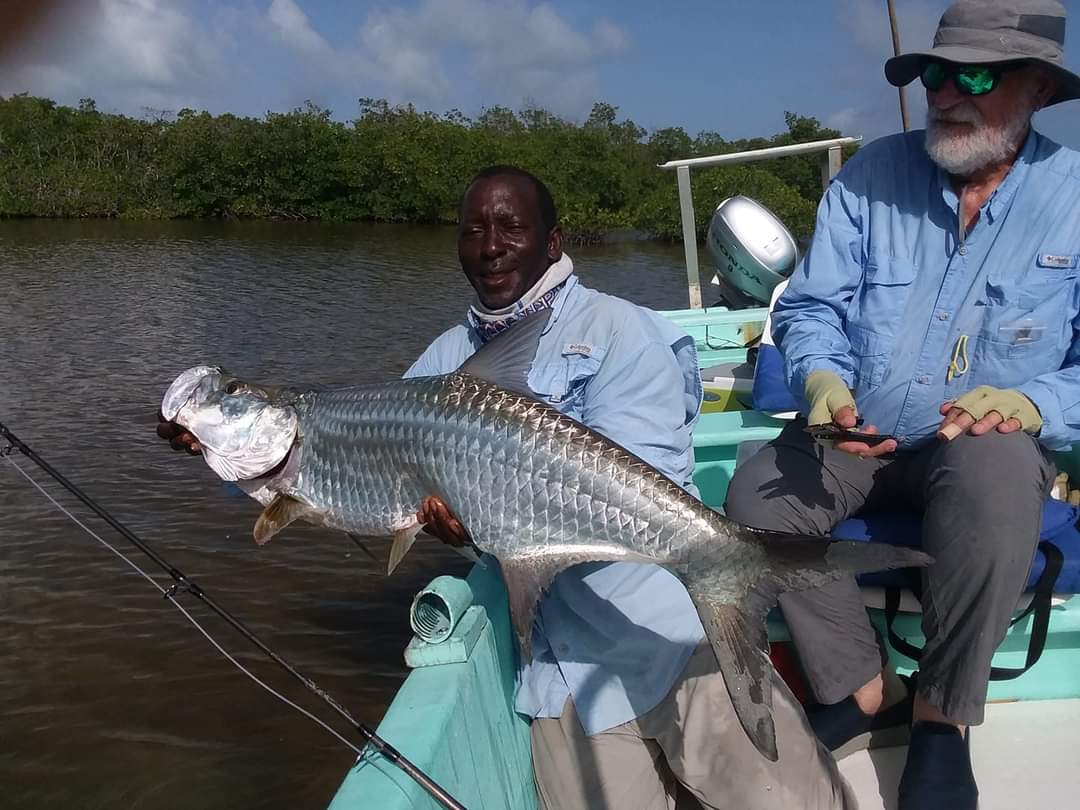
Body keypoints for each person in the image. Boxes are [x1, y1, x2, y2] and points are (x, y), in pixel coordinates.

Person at [160, 165, 851, 809]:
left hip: (674, 636)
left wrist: (491, 514)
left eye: (510, 228)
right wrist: (211, 445)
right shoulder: (441, 361)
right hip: (561, 672)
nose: (490, 246)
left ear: (553, 241)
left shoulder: (625, 332)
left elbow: (640, 477)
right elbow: (328, 478)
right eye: (472, 229)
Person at [724, 2, 1080, 809]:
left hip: (979, 449)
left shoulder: (1075, 198)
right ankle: (858, 685)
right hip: (858, 440)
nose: (946, 92)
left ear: (1033, 87)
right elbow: (812, 311)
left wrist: (1032, 402)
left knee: (992, 469)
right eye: (934, 72)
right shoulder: (868, 176)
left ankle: (941, 716)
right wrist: (820, 380)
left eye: (975, 75)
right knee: (750, 498)